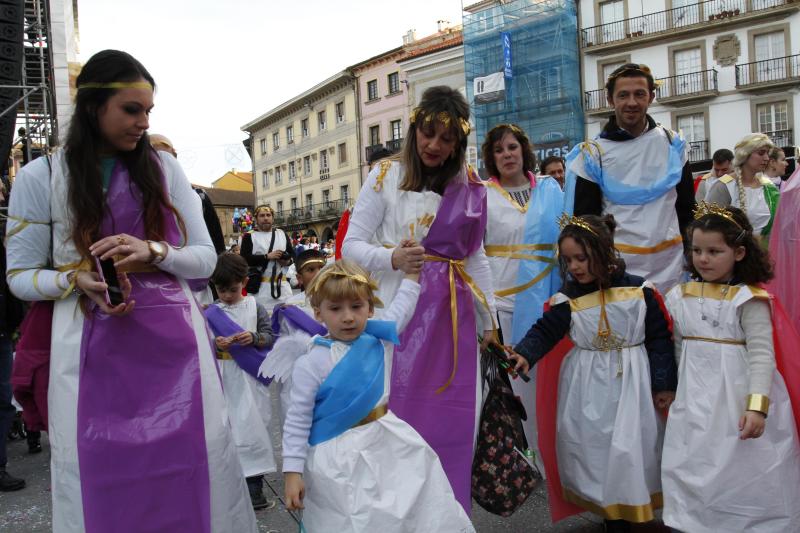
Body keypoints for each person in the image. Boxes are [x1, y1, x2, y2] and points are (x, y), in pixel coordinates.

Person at [5, 50, 257, 532]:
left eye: (148, 111)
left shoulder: (164, 169)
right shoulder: (43, 176)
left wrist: (155, 251)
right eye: (131, 109)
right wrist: (72, 279)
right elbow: (19, 275)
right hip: (83, 350)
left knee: (193, 468)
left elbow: (206, 258)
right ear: (92, 106)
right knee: (97, 476)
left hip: (176, 349)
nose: (143, 122)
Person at [342, 85, 496, 512]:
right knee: (395, 415)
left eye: (446, 139)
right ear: (414, 130)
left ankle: (444, 516)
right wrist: (389, 257)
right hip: (398, 310)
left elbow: (475, 255)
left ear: (458, 144)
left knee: (451, 416)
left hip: (452, 317)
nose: (434, 145)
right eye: (428, 133)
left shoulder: (468, 185)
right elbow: (350, 246)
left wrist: (492, 320)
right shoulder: (385, 176)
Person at [509, 214, 676, 533]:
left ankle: (633, 507)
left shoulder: (641, 291)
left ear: (603, 252)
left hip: (633, 384)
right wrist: (525, 354)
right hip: (588, 388)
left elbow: (659, 338)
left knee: (633, 447)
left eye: (581, 258)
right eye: (568, 260)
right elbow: (545, 331)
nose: (574, 267)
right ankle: (611, 512)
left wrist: (664, 384)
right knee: (596, 448)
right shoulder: (567, 300)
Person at [282, 259, 475, 532]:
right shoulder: (311, 362)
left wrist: (411, 275)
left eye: (357, 306)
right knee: (350, 518)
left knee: (408, 507)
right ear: (318, 313)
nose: (348, 316)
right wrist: (292, 471)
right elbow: (297, 419)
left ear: (370, 309)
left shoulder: (378, 339)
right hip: (337, 455)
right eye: (335, 309)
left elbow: (402, 308)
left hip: (387, 442)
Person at [662, 203, 800, 533]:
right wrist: (677, 389)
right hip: (696, 397)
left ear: (738, 252)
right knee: (694, 460)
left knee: (745, 464)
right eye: (696, 250)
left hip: (739, 395)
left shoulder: (749, 300)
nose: (703, 259)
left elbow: (762, 355)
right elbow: (680, 346)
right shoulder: (680, 295)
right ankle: (700, 523)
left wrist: (757, 407)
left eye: (714, 251)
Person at [567, 63, 695, 294]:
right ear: (610, 99)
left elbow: (686, 208)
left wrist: (693, 254)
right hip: (619, 267)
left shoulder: (672, 144)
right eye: (623, 95)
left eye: (640, 94)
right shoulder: (593, 154)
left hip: (671, 265)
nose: (632, 102)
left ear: (652, 97)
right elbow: (587, 219)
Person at [480, 123, 562, 471]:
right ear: (491, 158)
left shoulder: (550, 189)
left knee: (551, 380)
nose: (507, 155)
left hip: (548, 297)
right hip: (505, 302)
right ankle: (525, 458)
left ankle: (555, 455)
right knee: (517, 382)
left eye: (512, 147)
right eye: (499, 150)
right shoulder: (481, 194)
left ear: (523, 150)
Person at [205, 252, 276, 510]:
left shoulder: (254, 306)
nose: (226, 295)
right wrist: (214, 343)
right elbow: (200, 342)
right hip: (222, 376)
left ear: (244, 282)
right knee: (226, 428)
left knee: (253, 428)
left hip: (248, 377)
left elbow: (270, 336)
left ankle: (254, 488)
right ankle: (227, 485)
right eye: (221, 290)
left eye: (232, 290)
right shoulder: (210, 312)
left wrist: (254, 338)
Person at [260, 249, 328, 423]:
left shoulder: (339, 302)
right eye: (310, 269)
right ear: (299, 277)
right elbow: (283, 341)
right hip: (298, 376)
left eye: (321, 268)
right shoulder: (290, 307)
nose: (317, 273)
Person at [705, 133, 780, 241]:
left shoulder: (769, 187)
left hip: (765, 253)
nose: (767, 158)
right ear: (745, 154)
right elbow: (709, 227)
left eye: (767, 153)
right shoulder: (723, 186)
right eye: (761, 153)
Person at [240, 205, 294, 311]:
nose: (265, 218)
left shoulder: (282, 234)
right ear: (256, 219)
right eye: (262, 216)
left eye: (268, 215)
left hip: (282, 288)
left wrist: (286, 261)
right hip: (261, 289)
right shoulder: (249, 236)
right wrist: (266, 257)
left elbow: (292, 255)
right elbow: (244, 260)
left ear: (272, 218)